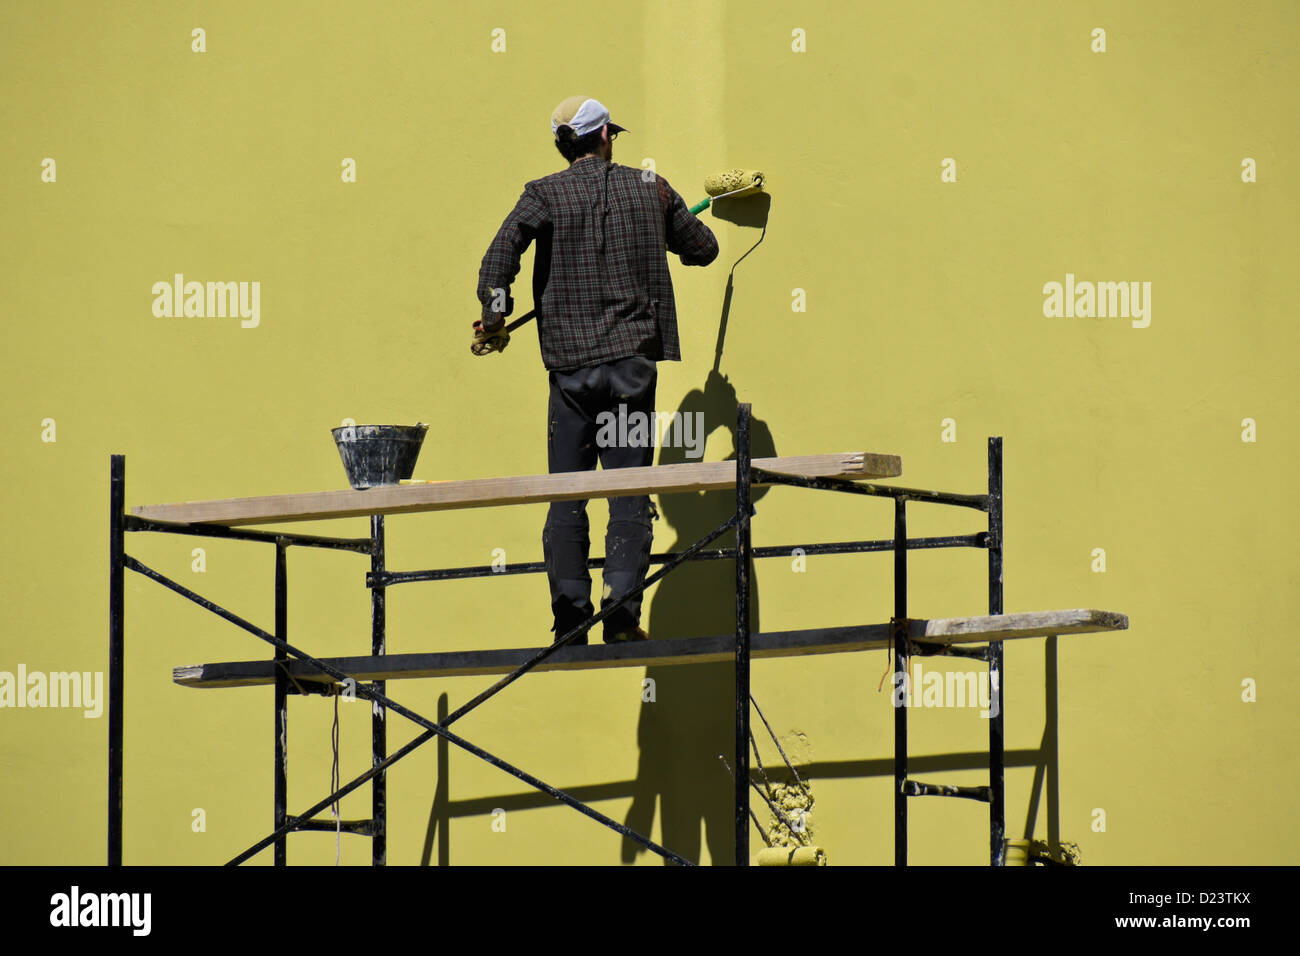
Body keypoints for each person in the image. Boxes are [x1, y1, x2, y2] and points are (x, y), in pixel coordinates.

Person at [473, 95, 719, 645]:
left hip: (571, 372)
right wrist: (663, 232)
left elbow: (499, 256)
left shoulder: (544, 194)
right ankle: (622, 617)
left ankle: (569, 619)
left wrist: (496, 313)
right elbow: (703, 250)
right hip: (631, 372)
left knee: (568, 493)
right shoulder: (649, 188)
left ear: (566, 145)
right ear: (605, 133)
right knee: (629, 491)